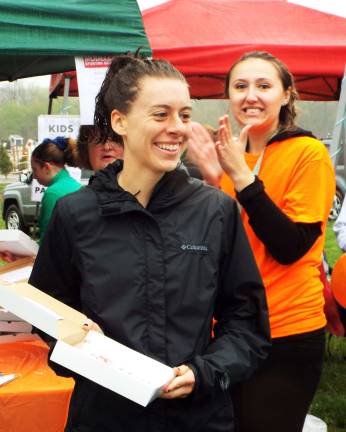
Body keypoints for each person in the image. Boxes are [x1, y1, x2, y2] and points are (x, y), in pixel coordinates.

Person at [29, 53, 270, 432]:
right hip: (103, 418)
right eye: (161, 115)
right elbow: (47, 312)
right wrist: (80, 345)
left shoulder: (216, 211)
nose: (177, 128)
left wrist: (205, 372)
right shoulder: (76, 214)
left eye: (185, 115)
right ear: (119, 121)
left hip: (196, 420)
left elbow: (246, 324)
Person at [213, 51, 335, 432]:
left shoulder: (308, 154)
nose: (251, 95)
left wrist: (243, 180)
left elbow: (290, 245)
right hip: (232, 330)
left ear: (286, 96)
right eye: (241, 86)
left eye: (264, 86)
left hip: (287, 331)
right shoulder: (234, 158)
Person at [31, 137, 82, 243]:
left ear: (46, 167)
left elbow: (48, 242)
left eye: (35, 170)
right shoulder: (79, 186)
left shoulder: (52, 193)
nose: (34, 176)